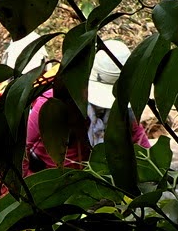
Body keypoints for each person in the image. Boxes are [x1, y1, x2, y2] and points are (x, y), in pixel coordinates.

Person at [25, 38, 151, 173]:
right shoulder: (51, 104)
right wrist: (30, 182)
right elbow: (22, 148)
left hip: (95, 179)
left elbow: (141, 144)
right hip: (52, 178)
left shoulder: (123, 112)